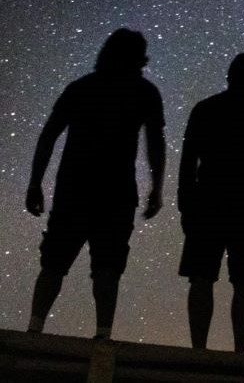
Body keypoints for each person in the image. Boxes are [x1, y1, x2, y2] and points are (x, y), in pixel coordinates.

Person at [24, 28, 166, 340]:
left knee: (55, 262)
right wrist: (157, 187)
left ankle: (35, 328)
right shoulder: (144, 92)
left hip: (74, 189)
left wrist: (35, 183)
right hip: (116, 193)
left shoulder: (82, 88)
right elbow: (155, 142)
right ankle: (103, 335)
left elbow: (49, 136)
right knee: (107, 267)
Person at [177, 53, 244, 353]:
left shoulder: (206, 109)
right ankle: (240, 352)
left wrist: (186, 204)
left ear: (229, 75)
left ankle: (199, 349)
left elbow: (188, 162)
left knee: (201, 277)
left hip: (208, 203)